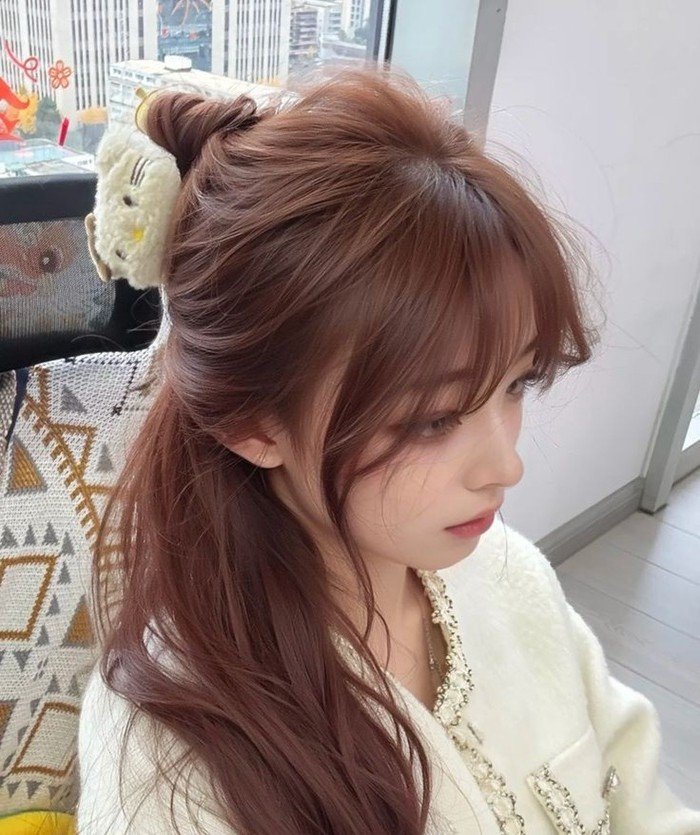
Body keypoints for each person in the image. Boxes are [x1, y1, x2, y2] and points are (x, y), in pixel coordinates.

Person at [76, 64, 700, 834]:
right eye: (434, 420)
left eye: (517, 383)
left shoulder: (510, 575)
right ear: (254, 424)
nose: (507, 466)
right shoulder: (166, 760)